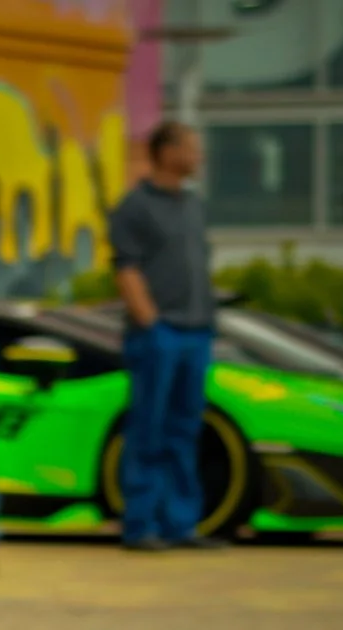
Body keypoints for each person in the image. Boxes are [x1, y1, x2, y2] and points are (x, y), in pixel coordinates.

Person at [108, 121, 222, 551]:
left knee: (184, 430)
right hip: (160, 334)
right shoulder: (134, 207)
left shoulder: (194, 205)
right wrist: (150, 322)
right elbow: (126, 268)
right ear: (167, 151)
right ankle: (140, 525)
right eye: (192, 148)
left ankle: (180, 524)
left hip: (196, 333)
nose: (199, 156)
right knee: (148, 430)